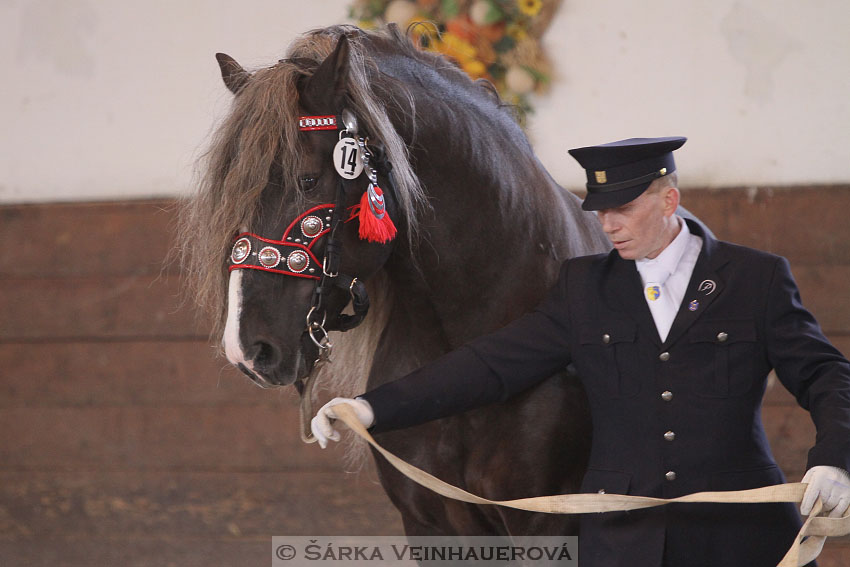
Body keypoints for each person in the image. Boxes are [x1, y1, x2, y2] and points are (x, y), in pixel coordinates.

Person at [311, 137, 850, 567]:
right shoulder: (584, 286)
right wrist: (372, 407)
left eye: (623, 207)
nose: (607, 223)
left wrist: (835, 459)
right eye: (599, 209)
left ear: (669, 199)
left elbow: (826, 374)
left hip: (742, 537)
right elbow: (491, 364)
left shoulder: (755, 277)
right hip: (621, 544)